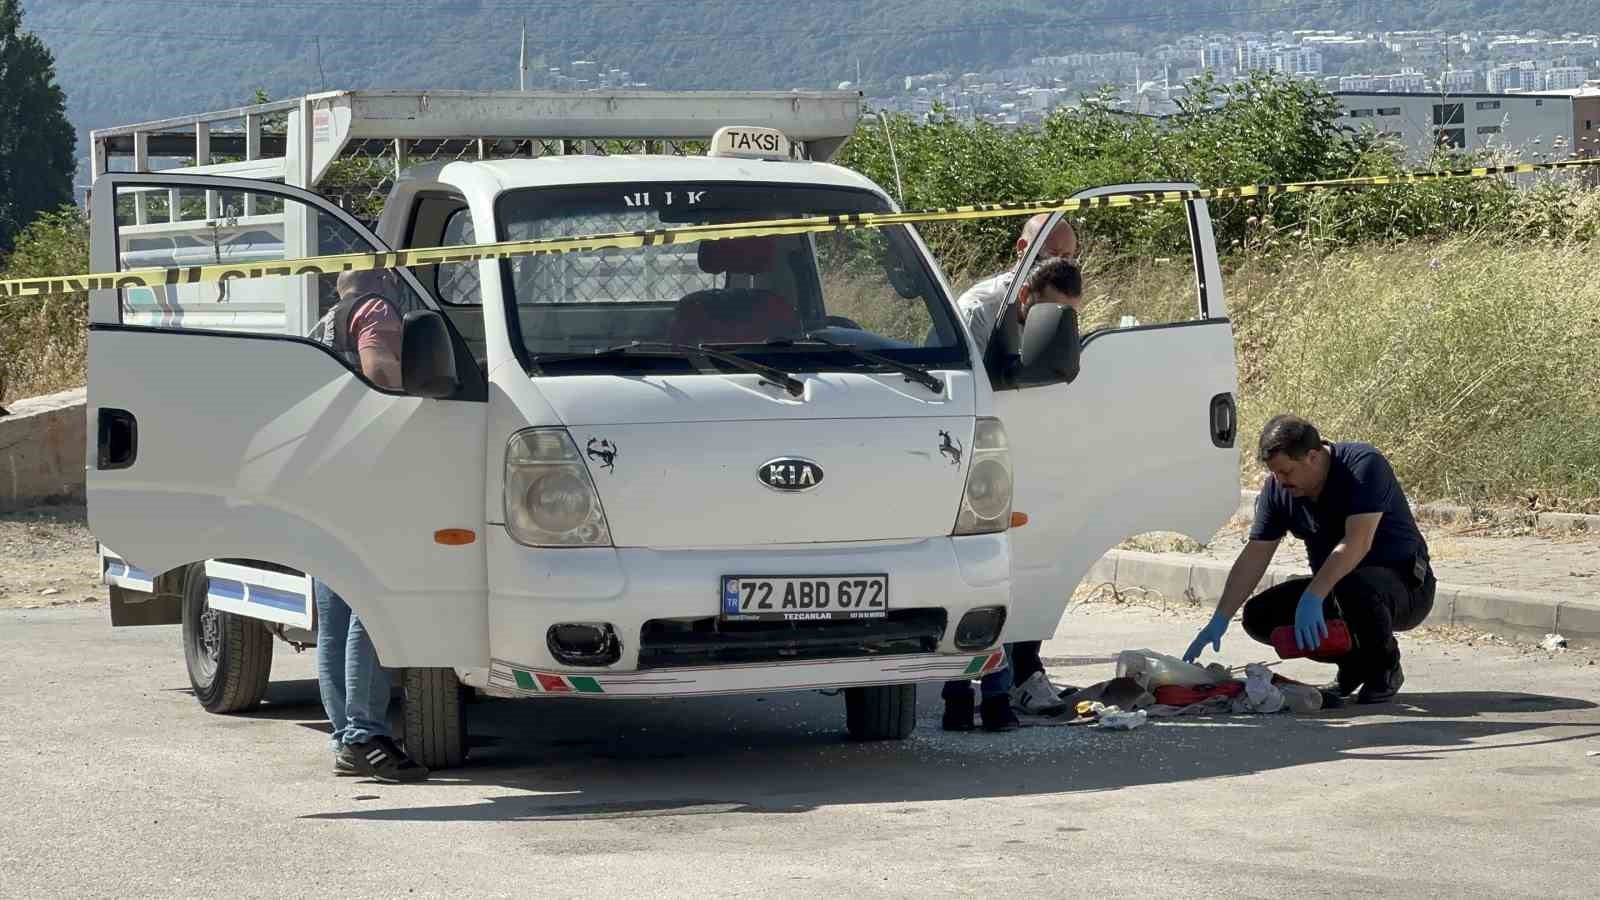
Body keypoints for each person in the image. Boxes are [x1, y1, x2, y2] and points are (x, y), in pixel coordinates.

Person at [1182, 415, 1436, 704]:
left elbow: (1357, 541)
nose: (1280, 480)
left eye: (1286, 471)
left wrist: (1313, 596)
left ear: (1313, 457)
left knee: (1351, 585)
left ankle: (1384, 666)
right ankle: (1353, 664)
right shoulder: (1279, 491)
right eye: (1275, 473)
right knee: (1260, 616)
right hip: (1336, 589)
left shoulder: (1363, 464)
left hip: (1404, 586)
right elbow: (1256, 554)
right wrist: (1220, 618)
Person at [943, 253, 1086, 731]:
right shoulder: (980, 311)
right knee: (981, 579)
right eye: (1050, 312)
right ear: (1027, 296)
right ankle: (969, 696)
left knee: (1006, 578)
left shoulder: (1036, 313)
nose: (1056, 322)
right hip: (973, 456)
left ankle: (991, 694)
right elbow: (966, 390)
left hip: (1018, 455)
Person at [308, 267, 428, 781]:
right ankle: (365, 735)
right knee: (371, 604)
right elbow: (381, 377)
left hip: (322, 477)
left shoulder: (324, 326)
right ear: (387, 278)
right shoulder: (378, 312)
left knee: (335, 614)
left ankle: (347, 738)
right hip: (367, 475)